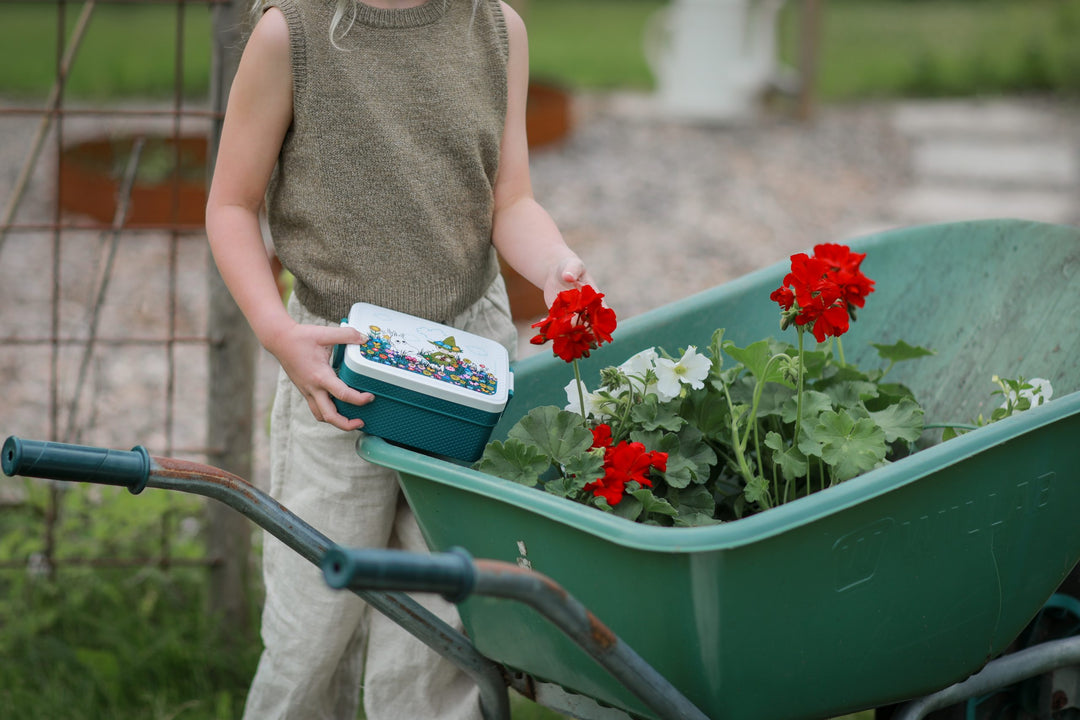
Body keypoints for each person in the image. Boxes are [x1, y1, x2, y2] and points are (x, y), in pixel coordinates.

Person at [204, 0, 595, 718]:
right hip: (339, 366)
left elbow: (511, 201)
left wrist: (554, 265)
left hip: (463, 364)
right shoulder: (291, 33)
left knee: (439, 621)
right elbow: (231, 204)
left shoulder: (497, 29)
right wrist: (276, 332)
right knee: (313, 619)